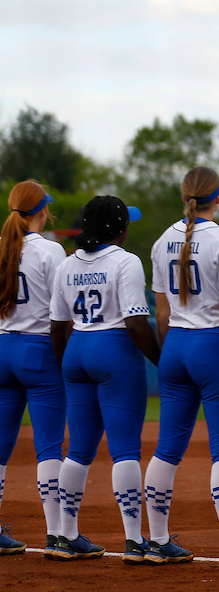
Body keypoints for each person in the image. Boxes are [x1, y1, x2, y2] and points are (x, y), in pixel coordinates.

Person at [145, 167, 219, 568]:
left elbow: (160, 311)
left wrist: (166, 356)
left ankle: (156, 540)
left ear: (183, 196)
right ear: (218, 197)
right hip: (214, 347)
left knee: (167, 448)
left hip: (175, 343)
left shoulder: (160, 242)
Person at [48, 196, 162, 563]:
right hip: (113, 349)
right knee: (125, 449)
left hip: (77, 348)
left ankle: (64, 535)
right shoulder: (126, 261)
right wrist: (162, 360)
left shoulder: (67, 263)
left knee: (78, 450)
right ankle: (134, 540)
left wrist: (65, 363)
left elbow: (57, 326)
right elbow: (135, 323)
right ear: (118, 228)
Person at [0, 181, 67, 556]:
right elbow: (63, 311)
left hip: (2, 347)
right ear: (43, 210)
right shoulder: (51, 250)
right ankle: (58, 534)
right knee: (48, 448)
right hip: (39, 349)